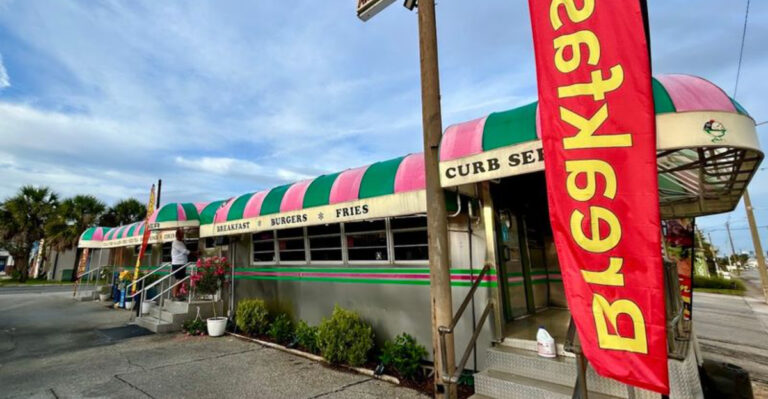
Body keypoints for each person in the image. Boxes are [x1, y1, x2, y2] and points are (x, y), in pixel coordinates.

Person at [171, 228, 190, 299]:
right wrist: (194, 253)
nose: (183, 236)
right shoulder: (175, 243)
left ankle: (177, 294)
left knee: (181, 279)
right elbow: (184, 251)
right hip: (177, 264)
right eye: (182, 234)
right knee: (179, 279)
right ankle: (174, 294)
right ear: (177, 235)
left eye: (183, 234)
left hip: (182, 263)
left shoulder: (181, 242)